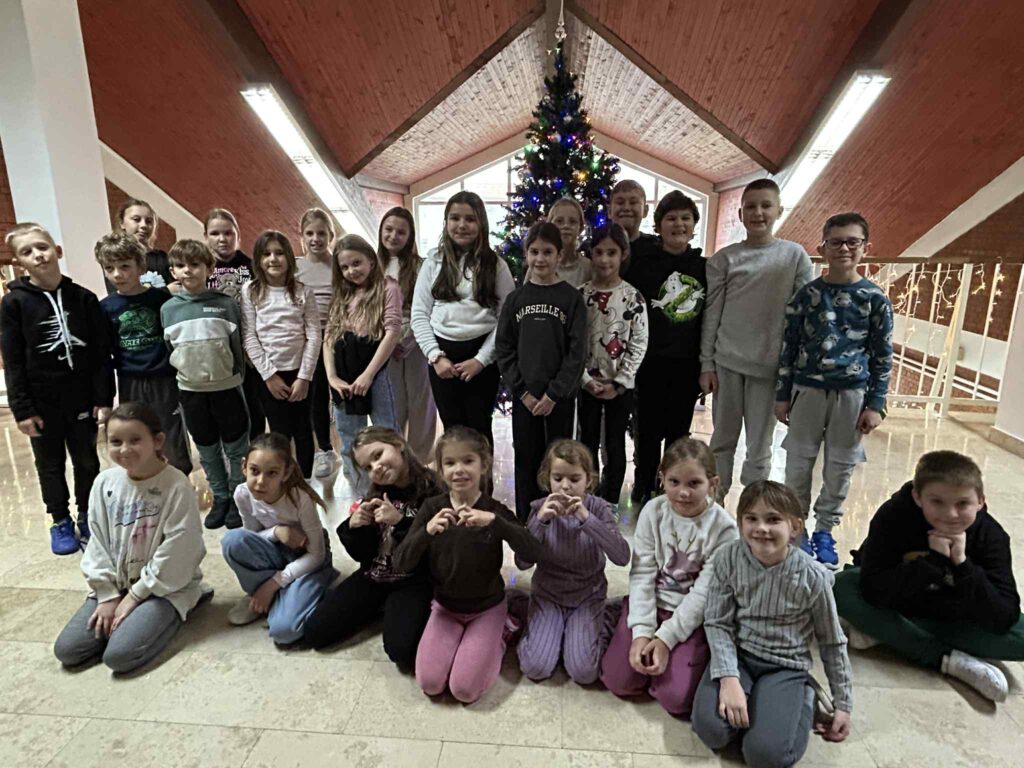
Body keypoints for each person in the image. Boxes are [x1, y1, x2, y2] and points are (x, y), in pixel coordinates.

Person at [834, 451, 1024, 703]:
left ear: (980, 501)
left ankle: (888, 633)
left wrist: (962, 564)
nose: (951, 514)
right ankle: (947, 660)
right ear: (918, 497)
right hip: (901, 601)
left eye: (962, 504)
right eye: (937, 502)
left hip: (951, 612)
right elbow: (873, 588)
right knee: (840, 586)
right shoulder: (893, 516)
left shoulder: (991, 535)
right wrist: (933, 562)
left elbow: (1005, 616)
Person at [692, 480, 853, 766]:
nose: (761, 528)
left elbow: (832, 641)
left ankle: (804, 696)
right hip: (740, 657)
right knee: (711, 730)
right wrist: (729, 678)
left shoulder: (813, 577)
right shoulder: (728, 558)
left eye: (773, 519)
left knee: (765, 756)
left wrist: (843, 703)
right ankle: (761, 706)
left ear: (795, 527)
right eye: (751, 519)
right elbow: (717, 622)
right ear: (740, 523)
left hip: (785, 666)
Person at [775, 212, 893, 568]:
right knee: (798, 462)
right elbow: (789, 347)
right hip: (807, 391)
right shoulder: (808, 295)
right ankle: (797, 527)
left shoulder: (874, 299)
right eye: (836, 242)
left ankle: (825, 529)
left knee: (840, 466)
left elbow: (883, 355)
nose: (844, 249)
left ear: (865, 248)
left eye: (852, 242)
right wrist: (782, 394)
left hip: (851, 396)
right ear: (822, 248)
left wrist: (876, 403)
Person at [53, 403, 207, 672]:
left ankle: (188, 603)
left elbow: (179, 549)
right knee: (68, 650)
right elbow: (98, 542)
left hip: (163, 587)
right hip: (118, 583)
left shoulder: (176, 486)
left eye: (135, 440)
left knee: (119, 657)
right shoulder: (104, 483)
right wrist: (107, 594)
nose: (124, 450)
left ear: (157, 441)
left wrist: (135, 596)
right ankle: (126, 622)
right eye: (116, 442)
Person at [393, 426, 542, 704]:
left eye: (468, 461)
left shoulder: (494, 510)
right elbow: (401, 562)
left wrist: (496, 523)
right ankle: (467, 642)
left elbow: (533, 553)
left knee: (464, 690)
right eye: (450, 463)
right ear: (440, 470)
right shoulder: (431, 508)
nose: (459, 470)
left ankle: (503, 630)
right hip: (445, 607)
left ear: (484, 465)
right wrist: (426, 531)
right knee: (430, 684)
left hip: (487, 607)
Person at [601, 438, 738, 716]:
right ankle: (620, 617)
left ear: (713, 484)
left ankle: (691, 652)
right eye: (674, 482)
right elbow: (642, 575)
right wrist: (642, 633)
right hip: (652, 603)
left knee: (676, 699)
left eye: (694, 483)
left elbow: (703, 595)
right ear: (662, 479)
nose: (683, 492)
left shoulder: (725, 530)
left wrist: (666, 639)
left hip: (690, 615)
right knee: (619, 682)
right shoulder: (653, 511)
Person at [1, 223, 113, 554]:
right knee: (49, 464)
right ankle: (59, 519)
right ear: (19, 262)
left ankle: (88, 515)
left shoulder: (84, 298)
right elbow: (13, 360)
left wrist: (103, 397)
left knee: (86, 460)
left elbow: (100, 354)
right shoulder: (14, 304)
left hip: (81, 398)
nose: (38, 255)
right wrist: (22, 409)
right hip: (41, 403)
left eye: (42, 247)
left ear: (57, 250)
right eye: (27, 252)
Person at [700, 179, 813, 502]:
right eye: (750, 206)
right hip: (727, 364)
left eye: (766, 206)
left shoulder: (794, 256)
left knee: (759, 447)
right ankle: (715, 503)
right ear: (740, 213)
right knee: (722, 440)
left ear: (779, 210)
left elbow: (804, 316)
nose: (758, 212)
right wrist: (707, 363)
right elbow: (712, 313)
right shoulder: (725, 259)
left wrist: (794, 371)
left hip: (769, 369)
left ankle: (753, 507)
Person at [303, 426, 443, 671]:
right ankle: (381, 606)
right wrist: (355, 527)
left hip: (413, 580)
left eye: (378, 455)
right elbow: (364, 555)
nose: (375, 468)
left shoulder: (433, 489)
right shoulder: (376, 493)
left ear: (398, 445)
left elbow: (440, 551)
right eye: (367, 467)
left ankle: (400, 609)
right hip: (374, 575)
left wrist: (400, 522)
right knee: (315, 632)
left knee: (401, 651)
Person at [516, 439, 630, 684]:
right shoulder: (539, 508)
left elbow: (622, 557)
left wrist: (587, 519)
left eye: (574, 479)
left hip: (588, 595)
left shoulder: (599, 508)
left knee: (584, 672)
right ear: (548, 479)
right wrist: (540, 523)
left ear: (588, 480)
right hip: (548, 595)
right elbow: (522, 563)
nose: (565, 486)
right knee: (535, 667)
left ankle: (608, 616)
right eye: (558, 478)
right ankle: (526, 619)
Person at [496, 221, 587, 520]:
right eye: (534, 252)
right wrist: (522, 391)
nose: (540, 258)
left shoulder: (571, 299)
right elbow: (504, 349)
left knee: (559, 461)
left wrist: (554, 394)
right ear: (526, 255)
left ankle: (558, 519)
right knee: (526, 458)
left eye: (548, 252)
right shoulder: (515, 300)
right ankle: (527, 521)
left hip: (559, 399)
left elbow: (577, 353)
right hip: (525, 397)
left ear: (559, 255)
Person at [411, 191, 515, 447]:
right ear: (446, 222)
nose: (462, 225)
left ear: (481, 223)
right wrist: (435, 356)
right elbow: (419, 314)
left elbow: (506, 320)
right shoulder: (433, 262)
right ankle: (454, 476)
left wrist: (481, 360)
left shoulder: (496, 265)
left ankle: (484, 476)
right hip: (442, 358)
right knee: (452, 430)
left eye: (470, 219)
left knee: (480, 429)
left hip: (481, 359)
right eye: (455, 218)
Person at [624, 191, 706, 506]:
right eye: (671, 218)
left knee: (678, 432)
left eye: (686, 218)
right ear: (658, 226)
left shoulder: (703, 267)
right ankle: (644, 481)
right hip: (649, 363)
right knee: (646, 430)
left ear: (694, 225)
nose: (679, 224)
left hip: (686, 363)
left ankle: (671, 483)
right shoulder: (642, 265)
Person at [161, 239, 248, 530]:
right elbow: (170, 349)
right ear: (173, 271)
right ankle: (220, 496)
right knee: (207, 449)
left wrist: (235, 376)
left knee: (236, 447)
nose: (188, 270)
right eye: (181, 265)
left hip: (227, 388)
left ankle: (237, 496)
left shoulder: (225, 304)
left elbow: (237, 347)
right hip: (191, 392)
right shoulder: (168, 309)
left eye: (195, 264)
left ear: (209, 268)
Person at [221, 433, 336, 645]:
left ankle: (277, 593)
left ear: (286, 472)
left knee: (284, 631)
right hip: (276, 551)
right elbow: (251, 537)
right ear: (244, 466)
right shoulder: (242, 494)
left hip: (308, 559)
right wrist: (277, 532)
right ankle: (266, 595)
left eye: (272, 473)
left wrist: (274, 583)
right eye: (255, 471)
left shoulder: (301, 499)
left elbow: (316, 555)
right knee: (233, 541)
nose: (260, 481)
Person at [96, 232, 192, 476]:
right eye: (109, 268)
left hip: (164, 380)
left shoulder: (161, 299)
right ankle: (143, 478)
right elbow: (104, 354)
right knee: (134, 432)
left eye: (124, 266)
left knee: (171, 434)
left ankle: (179, 479)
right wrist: (104, 397)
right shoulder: (105, 308)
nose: (117, 274)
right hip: (130, 381)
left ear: (140, 267)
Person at [323, 234, 401, 492]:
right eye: (345, 267)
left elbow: (392, 332)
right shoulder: (342, 293)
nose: (351, 271)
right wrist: (332, 377)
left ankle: (395, 492)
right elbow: (329, 337)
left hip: (374, 371)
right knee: (349, 439)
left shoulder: (388, 287)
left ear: (371, 260)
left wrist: (368, 375)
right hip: (344, 373)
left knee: (386, 434)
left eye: (356, 263)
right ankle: (362, 494)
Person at [241, 230, 321, 479]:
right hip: (269, 377)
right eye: (266, 254)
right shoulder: (251, 291)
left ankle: (304, 483)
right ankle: (282, 484)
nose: (273, 259)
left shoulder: (303, 292)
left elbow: (314, 334)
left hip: (300, 373)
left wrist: (304, 377)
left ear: (289, 257)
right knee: (279, 434)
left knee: (303, 430)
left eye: (279, 253)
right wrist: (269, 376)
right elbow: (249, 336)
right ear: (258, 259)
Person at [578, 223, 648, 505]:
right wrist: (585, 380)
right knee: (587, 441)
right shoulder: (580, 296)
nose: (605, 259)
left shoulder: (633, 297)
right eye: (599, 252)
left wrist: (619, 382)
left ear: (623, 254)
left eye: (612, 253)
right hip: (587, 385)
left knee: (615, 444)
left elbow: (639, 343)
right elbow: (572, 344)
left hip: (619, 387)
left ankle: (609, 503)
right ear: (591, 254)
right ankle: (587, 499)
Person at [377, 207, 438, 463]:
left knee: (421, 400)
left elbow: (426, 306)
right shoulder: (372, 265)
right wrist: (387, 339)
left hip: (416, 341)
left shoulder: (421, 266)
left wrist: (411, 338)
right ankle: (394, 457)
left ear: (410, 236)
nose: (394, 236)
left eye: (401, 232)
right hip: (383, 342)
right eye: (389, 229)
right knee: (392, 402)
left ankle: (420, 460)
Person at [204, 207, 265, 440]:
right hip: (215, 347)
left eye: (228, 233)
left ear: (238, 235)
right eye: (215, 233)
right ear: (206, 236)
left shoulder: (253, 266)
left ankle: (257, 447)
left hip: (248, 346)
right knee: (224, 406)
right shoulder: (200, 268)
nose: (222, 239)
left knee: (253, 404)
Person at [296, 207, 341, 478]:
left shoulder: (339, 264)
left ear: (331, 236)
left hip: (337, 339)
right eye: (310, 233)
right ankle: (324, 449)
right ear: (302, 236)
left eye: (322, 233)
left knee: (341, 394)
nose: (316, 239)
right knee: (317, 396)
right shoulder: (296, 267)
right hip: (308, 341)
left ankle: (352, 448)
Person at [105, 197, 174, 292]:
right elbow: (120, 293)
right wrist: (166, 290)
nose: (144, 225)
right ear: (122, 223)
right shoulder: (114, 256)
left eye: (149, 221)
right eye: (136, 219)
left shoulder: (161, 257)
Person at [546, 197, 591, 287]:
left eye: (572, 221)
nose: (566, 226)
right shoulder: (541, 264)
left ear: (580, 228)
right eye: (559, 221)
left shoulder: (588, 268)